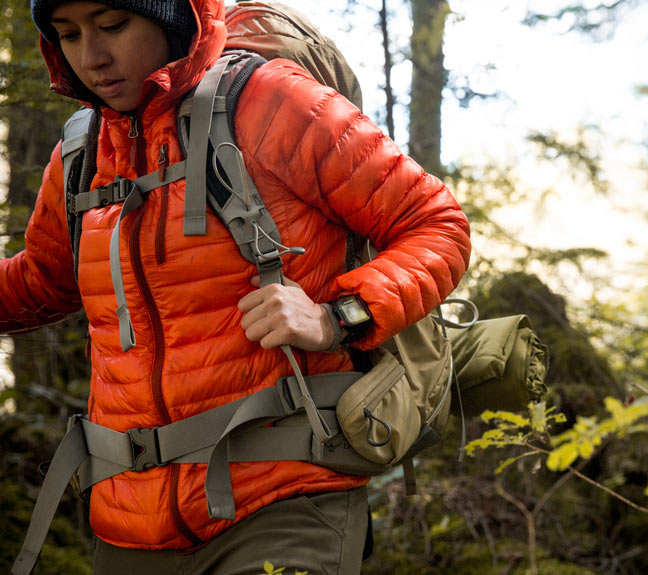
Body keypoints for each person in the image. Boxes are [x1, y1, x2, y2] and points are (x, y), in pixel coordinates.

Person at [4, 0, 471, 573]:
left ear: (172, 16)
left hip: (281, 502)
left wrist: (337, 316)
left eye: (113, 25)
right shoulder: (81, 153)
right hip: (128, 524)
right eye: (68, 34)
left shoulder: (273, 103)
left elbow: (435, 225)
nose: (91, 57)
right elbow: (41, 283)